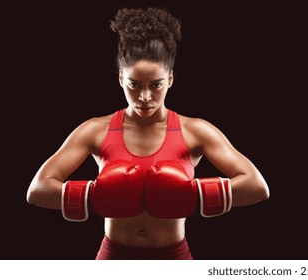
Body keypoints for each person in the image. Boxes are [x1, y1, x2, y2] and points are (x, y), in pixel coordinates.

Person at [26, 7, 269, 260]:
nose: (144, 97)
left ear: (171, 79)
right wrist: (94, 197)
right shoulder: (96, 130)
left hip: (173, 259)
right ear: (121, 78)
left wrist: (192, 196)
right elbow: (37, 190)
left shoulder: (195, 131)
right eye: (134, 84)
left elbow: (257, 186)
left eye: (156, 85)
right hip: (113, 258)